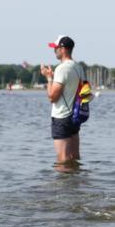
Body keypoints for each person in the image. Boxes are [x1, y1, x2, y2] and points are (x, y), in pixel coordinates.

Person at [40, 35, 84, 169]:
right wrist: (55, 78)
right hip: (75, 116)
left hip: (62, 117)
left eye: (56, 48)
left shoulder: (62, 68)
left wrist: (48, 78)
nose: (54, 51)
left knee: (62, 159)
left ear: (63, 49)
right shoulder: (78, 67)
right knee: (74, 157)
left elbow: (52, 97)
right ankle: (74, 185)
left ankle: (62, 189)